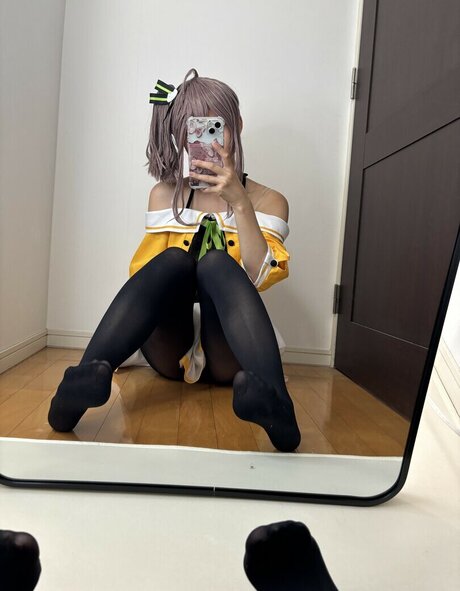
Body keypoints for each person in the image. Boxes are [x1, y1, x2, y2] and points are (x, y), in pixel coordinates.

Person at [47, 68, 301, 453]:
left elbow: (261, 278)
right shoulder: (164, 196)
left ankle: (279, 407)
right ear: (180, 136)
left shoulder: (269, 201)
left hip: (231, 346)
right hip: (171, 344)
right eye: (192, 130)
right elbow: (146, 283)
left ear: (237, 125)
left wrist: (240, 203)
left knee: (216, 263)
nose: (204, 140)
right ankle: (80, 385)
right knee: (173, 261)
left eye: (215, 127)